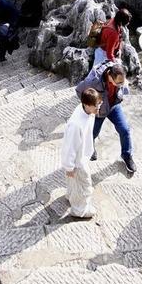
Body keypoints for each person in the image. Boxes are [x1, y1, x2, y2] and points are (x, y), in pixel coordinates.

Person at [75, 60, 137, 173]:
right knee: (92, 133)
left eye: (122, 82)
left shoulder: (118, 72)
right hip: (99, 110)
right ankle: (91, 148)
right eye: (118, 83)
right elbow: (79, 90)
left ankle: (127, 155)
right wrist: (89, 107)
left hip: (113, 106)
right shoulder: (93, 81)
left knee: (125, 130)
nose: (121, 85)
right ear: (109, 76)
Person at [61, 87, 102, 218]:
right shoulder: (76, 124)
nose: (98, 108)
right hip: (78, 161)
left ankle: (71, 196)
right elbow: (70, 147)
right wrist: (69, 167)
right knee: (85, 185)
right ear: (86, 104)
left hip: (82, 155)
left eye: (99, 104)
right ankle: (80, 210)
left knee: (73, 182)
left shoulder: (86, 112)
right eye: (96, 106)